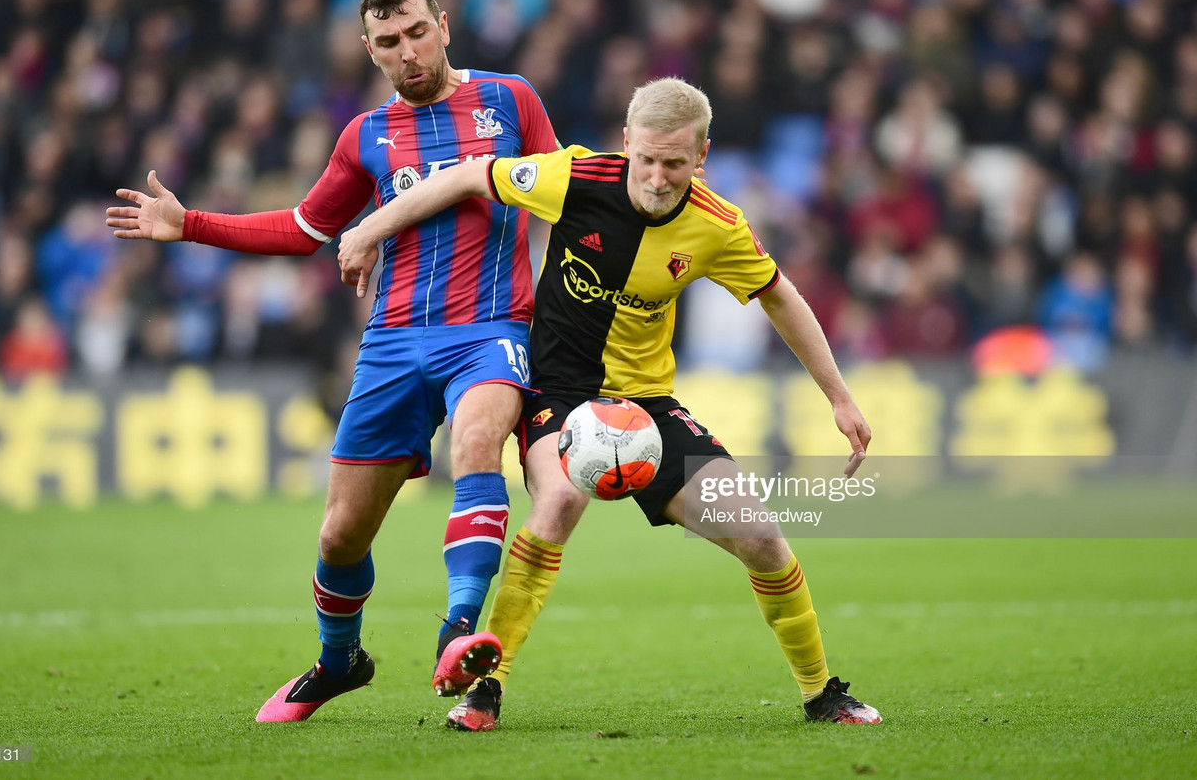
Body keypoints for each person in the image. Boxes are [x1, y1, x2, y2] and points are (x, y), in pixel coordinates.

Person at [336, 78, 882, 731]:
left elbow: (780, 295)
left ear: (700, 158)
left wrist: (840, 397)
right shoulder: (572, 177)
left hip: (648, 406)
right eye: (645, 158)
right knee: (561, 499)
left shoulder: (717, 224)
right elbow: (467, 176)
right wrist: (369, 229)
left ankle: (823, 692)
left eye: (674, 163)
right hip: (557, 394)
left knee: (763, 538)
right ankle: (485, 690)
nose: (655, 176)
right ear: (626, 142)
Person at [105, 0, 559, 721]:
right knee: (341, 534)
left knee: (478, 443)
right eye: (389, 42)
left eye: (418, 32)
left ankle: (460, 630)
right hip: (392, 343)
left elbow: (565, 193)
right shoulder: (367, 136)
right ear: (368, 50)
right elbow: (305, 228)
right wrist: (189, 224)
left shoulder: (511, 100)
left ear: (444, 25)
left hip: (491, 330)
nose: (409, 52)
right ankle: (339, 660)